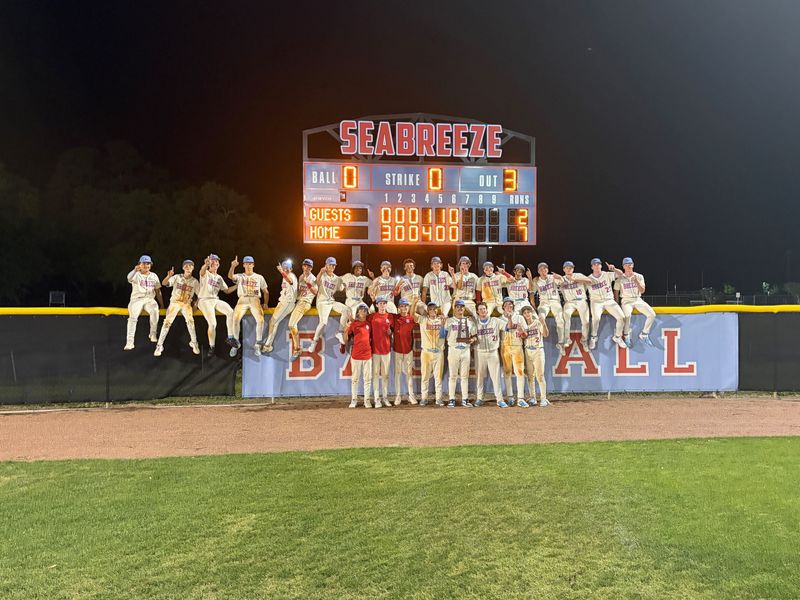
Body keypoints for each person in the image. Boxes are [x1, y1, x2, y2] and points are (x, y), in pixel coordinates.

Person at [571, 258, 626, 350]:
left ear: (601, 265)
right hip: (596, 302)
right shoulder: (588, 279)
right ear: (592, 267)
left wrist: (614, 269)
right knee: (596, 318)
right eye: (594, 264)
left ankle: (617, 337)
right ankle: (593, 337)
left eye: (598, 264)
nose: (596, 266)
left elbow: (621, 274)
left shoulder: (607, 274)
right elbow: (579, 289)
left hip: (609, 300)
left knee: (621, 317)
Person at [154, 259, 201, 356]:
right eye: (186, 266)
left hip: (186, 303)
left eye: (190, 266)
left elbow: (200, 295)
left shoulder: (195, 281)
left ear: (193, 268)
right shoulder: (177, 277)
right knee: (167, 322)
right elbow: (164, 283)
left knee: (190, 321)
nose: (188, 267)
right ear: (183, 267)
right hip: (175, 302)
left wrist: (196, 304)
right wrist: (168, 276)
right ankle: (159, 345)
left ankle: (194, 342)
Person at [227, 255, 269, 357]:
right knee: (235, 319)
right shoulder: (240, 276)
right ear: (244, 265)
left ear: (253, 265)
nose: (248, 265)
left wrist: (266, 303)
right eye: (246, 264)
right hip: (243, 299)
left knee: (260, 320)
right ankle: (235, 344)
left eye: (250, 264)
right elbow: (230, 276)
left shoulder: (259, 277)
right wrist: (233, 266)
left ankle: (258, 344)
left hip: (255, 299)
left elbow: (266, 292)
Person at [609, 257, 656, 346]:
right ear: (623, 266)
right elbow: (616, 291)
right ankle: (626, 336)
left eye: (630, 264)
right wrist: (617, 303)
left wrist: (636, 281)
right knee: (627, 316)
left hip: (637, 299)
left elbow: (642, 291)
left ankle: (644, 334)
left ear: (633, 265)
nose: (629, 266)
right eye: (626, 265)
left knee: (652, 314)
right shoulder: (620, 277)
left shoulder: (639, 276)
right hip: (626, 300)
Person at [196, 254, 235, 357]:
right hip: (204, 300)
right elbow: (202, 271)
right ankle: (212, 346)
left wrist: (238, 285)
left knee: (231, 312)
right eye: (213, 261)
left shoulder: (219, 278)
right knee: (213, 324)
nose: (215, 263)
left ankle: (230, 337)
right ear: (209, 263)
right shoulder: (205, 273)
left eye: (217, 261)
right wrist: (205, 264)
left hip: (215, 299)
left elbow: (227, 290)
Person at [309, 257, 350, 353]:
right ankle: (314, 342)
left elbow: (341, 288)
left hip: (331, 301)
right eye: (330, 265)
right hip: (322, 302)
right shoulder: (322, 275)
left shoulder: (337, 278)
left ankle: (340, 332)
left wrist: (345, 284)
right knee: (323, 322)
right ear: (326, 265)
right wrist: (320, 272)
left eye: (333, 265)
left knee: (346, 310)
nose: (332, 267)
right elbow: (317, 283)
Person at [124, 254, 163, 350]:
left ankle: (153, 333)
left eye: (148, 263)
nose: (146, 265)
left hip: (149, 299)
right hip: (137, 299)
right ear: (139, 264)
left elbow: (158, 291)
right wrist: (134, 270)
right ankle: (130, 342)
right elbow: (128, 278)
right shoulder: (136, 274)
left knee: (155, 310)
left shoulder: (154, 276)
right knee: (133, 318)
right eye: (144, 263)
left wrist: (161, 304)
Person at [445, 299, 477, 407]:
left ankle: (465, 399)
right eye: (458, 307)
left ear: (464, 309)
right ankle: (451, 399)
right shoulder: (449, 321)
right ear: (454, 309)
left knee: (464, 376)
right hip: (453, 349)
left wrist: (472, 340)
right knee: (453, 376)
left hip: (465, 350)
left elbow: (475, 335)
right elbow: (441, 335)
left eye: (462, 307)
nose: (460, 308)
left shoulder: (469, 321)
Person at [414, 300, 447, 406]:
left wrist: (442, 324)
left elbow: (442, 335)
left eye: (434, 308)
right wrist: (415, 303)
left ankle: (439, 398)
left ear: (437, 310)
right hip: (426, 353)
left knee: (438, 377)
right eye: (430, 309)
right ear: (427, 311)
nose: (432, 310)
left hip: (438, 352)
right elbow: (412, 315)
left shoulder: (443, 320)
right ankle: (424, 398)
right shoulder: (423, 320)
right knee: (425, 376)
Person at [473, 301, 506, 407]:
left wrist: (510, 319)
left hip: (493, 352)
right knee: (479, 377)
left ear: (487, 310)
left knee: (496, 377)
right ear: (477, 312)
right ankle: (479, 398)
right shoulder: (474, 323)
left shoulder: (495, 321)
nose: (483, 311)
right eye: (480, 309)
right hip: (480, 353)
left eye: (484, 309)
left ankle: (500, 399)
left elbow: (507, 327)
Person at [262, 259, 297, 353]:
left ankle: (267, 345)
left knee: (273, 321)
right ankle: (268, 345)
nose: (286, 269)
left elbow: (290, 281)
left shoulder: (291, 276)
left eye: (288, 268)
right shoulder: (284, 277)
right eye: (284, 268)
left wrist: (281, 271)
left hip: (288, 303)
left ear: (291, 269)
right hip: (283, 302)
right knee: (274, 322)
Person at [533, 262, 566, 355]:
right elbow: (531, 290)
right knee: (540, 318)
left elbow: (563, 284)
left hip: (555, 301)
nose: (543, 270)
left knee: (560, 320)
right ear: (538, 271)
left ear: (547, 269)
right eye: (541, 269)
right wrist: (532, 279)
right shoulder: (537, 281)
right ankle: (538, 340)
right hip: (544, 303)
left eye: (545, 268)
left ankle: (561, 343)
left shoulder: (553, 277)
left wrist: (560, 277)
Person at [287, 258, 317, 361]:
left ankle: (297, 349)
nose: (306, 268)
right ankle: (297, 348)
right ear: (302, 266)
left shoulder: (313, 278)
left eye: (309, 266)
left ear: (311, 268)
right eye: (305, 265)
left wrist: (307, 283)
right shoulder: (300, 276)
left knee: (291, 324)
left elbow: (315, 292)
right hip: (299, 301)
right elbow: (298, 291)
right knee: (291, 324)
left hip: (305, 303)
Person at [367, 296, 395, 407]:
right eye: (380, 303)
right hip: (375, 350)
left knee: (385, 375)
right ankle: (376, 398)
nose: (382, 305)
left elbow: (392, 331)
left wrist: (390, 332)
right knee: (375, 374)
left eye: (384, 303)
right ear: (377, 305)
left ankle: (385, 397)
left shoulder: (390, 316)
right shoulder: (372, 316)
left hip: (386, 350)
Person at [344, 303, 373, 408]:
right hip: (356, 355)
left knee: (367, 379)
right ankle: (354, 400)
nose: (363, 311)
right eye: (361, 310)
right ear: (357, 312)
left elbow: (372, 339)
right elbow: (345, 339)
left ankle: (367, 400)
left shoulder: (369, 324)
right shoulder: (353, 324)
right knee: (355, 379)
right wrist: (346, 329)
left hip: (367, 355)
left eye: (365, 310)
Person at [520, 305, 550, 407]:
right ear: (523, 315)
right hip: (528, 351)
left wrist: (544, 324)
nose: (527, 314)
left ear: (532, 313)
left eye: (529, 312)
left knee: (540, 376)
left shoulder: (537, 322)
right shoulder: (523, 325)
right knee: (530, 376)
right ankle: (533, 397)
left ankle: (543, 398)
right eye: (525, 313)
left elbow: (545, 334)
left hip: (538, 350)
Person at [499, 297, 526, 406]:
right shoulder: (500, 319)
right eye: (506, 305)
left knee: (519, 372)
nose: (509, 307)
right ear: (503, 307)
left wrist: (521, 331)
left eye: (510, 305)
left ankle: (520, 398)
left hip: (517, 346)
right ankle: (510, 396)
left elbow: (525, 333)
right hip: (505, 347)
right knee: (507, 372)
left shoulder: (519, 317)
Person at [559, 260, 590, 352]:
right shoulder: (561, 278)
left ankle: (584, 340)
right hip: (569, 302)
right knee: (566, 317)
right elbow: (555, 285)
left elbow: (589, 281)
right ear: (564, 269)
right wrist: (560, 281)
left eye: (570, 268)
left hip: (581, 300)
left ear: (573, 268)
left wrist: (574, 279)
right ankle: (567, 339)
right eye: (567, 268)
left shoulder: (578, 275)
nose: (569, 269)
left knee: (586, 322)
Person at [392, 298, 417, 406]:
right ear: (399, 307)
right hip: (397, 350)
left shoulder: (411, 318)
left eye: (406, 306)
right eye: (402, 306)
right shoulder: (395, 318)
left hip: (408, 351)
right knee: (397, 374)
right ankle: (398, 396)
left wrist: (415, 302)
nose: (404, 308)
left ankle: (411, 395)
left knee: (409, 374)